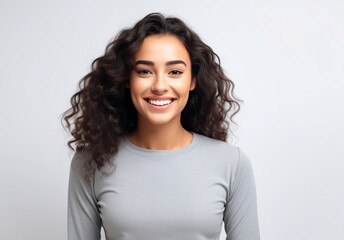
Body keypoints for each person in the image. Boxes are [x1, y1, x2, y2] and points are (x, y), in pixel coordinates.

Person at [62, 13, 260, 240]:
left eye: (175, 72)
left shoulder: (231, 164)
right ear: (127, 79)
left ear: (192, 80)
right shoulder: (91, 161)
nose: (159, 86)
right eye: (144, 71)